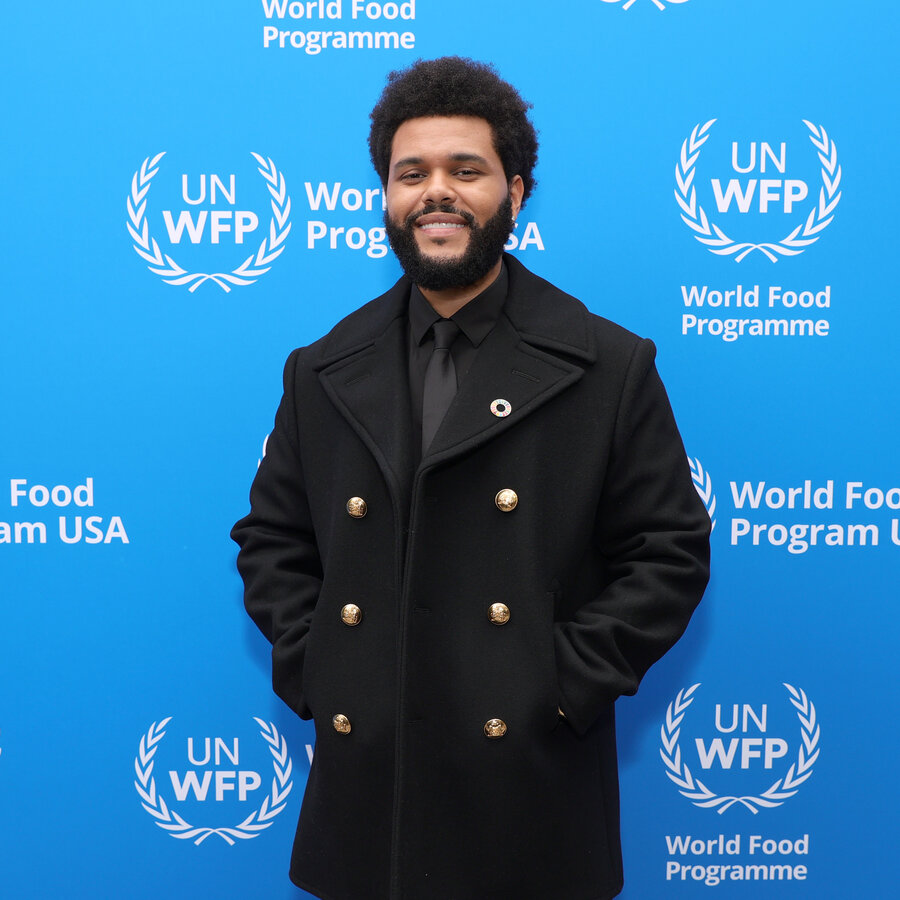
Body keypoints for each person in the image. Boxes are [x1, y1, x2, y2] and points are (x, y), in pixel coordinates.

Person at [232, 56, 710, 900]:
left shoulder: (608, 366)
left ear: (515, 193)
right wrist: (322, 668)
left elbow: (668, 553)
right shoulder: (322, 369)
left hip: (529, 798)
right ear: (384, 195)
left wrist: (555, 688)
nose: (436, 192)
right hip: (369, 798)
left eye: (467, 170)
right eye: (410, 173)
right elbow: (272, 539)